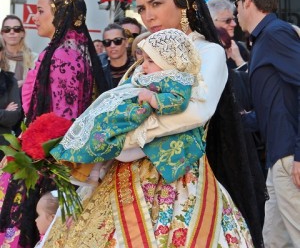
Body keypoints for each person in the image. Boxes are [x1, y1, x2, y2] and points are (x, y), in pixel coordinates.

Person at [44, 0, 263, 248]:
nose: (148, 16)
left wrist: (133, 137)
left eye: (156, 3)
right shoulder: (144, 59)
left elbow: (197, 110)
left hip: (179, 176)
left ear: (183, 2)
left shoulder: (207, 52)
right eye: (142, 8)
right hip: (120, 176)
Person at [0, 0, 108, 247]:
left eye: (40, 11)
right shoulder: (65, 49)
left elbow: (61, 119)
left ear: (59, 14)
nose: (33, 18)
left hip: (52, 161)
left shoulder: (64, 54)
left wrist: (32, 153)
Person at [51, 28, 206, 185]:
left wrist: (154, 98)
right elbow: (122, 90)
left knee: (108, 134)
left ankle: (91, 167)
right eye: (144, 60)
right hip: (130, 115)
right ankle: (84, 166)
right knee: (99, 125)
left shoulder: (177, 78)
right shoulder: (143, 74)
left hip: (144, 124)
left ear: (170, 60)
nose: (144, 66)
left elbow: (179, 100)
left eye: (150, 61)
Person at [235, 0, 300, 247]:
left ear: (247, 1)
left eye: (236, 4)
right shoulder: (264, 40)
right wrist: (234, 120)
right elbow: (269, 110)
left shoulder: (276, 34)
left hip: (290, 158)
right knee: (273, 241)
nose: (235, 12)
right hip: (278, 161)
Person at [207, 0, 249, 69]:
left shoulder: (239, 49)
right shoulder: (202, 49)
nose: (234, 24)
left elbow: (250, 79)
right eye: (227, 21)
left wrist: (239, 61)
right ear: (211, 22)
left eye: (233, 19)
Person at [0, 35, 22, 160]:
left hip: (2, 149)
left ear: (1, 53)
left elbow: (14, 117)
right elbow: (7, 115)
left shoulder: (10, 81)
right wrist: (4, 112)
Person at [1, 15, 37, 88]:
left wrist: (26, 83)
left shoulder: (35, 58)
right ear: (2, 33)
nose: (11, 32)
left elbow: (41, 84)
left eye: (16, 29)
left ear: (22, 33)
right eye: (7, 29)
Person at [99, 23, 135, 89]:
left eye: (117, 40)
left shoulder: (138, 69)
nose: (112, 46)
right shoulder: (99, 74)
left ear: (126, 42)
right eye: (107, 42)